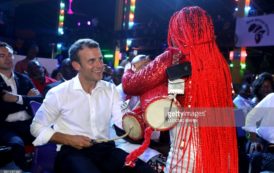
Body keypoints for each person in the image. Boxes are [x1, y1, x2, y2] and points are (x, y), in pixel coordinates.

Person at [122, 6, 238, 172]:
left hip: (187, 143)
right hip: (217, 141)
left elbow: (131, 85)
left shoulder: (174, 57)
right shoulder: (219, 62)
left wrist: (129, 68)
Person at [30, 38, 155, 173]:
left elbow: (122, 119)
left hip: (106, 150)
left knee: (145, 170)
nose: (100, 65)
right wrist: (69, 139)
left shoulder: (110, 89)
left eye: (100, 59)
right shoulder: (59, 93)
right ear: (76, 65)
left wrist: (143, 122)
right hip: (72, 152)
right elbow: (36, 127)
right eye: (91, 61)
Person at [0, 42, 42, 171]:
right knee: (16, 144)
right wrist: (26, 100)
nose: (8, 58)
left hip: (29, 123)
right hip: (5, 126)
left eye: (10, 55)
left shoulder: (24, 79)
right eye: (2, 55)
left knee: (53, 136)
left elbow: (39, 100)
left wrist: (16, 99)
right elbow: (2, 108)